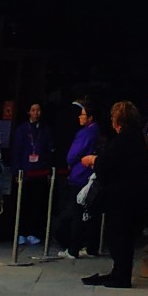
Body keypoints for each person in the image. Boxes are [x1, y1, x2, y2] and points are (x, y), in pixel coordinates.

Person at [81, 100, 148, 289]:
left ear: (118, 120)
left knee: (119, 236)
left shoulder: (124, 140)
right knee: (124, 237)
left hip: (122, 197)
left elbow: (108, 164)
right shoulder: (136, 138)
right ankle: (119, 272)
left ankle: (120, 275)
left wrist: (94, 160)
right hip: (133, 195)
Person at [52, 101, 100, 259]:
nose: (80, 117)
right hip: (90, 174)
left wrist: (70, 161)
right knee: (90, 213)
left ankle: (73, 248)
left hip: (80, 174)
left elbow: (73, 154)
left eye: (83, 114)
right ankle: (91, 246)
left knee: (77, 213)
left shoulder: (85, 133)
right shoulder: (95, 131)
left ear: (90, 118)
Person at [8, 100, 53, 245]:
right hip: (25, 171)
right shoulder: (22, 129)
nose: (36, 113)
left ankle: (34, 232)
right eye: (33, 110)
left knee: (37, 204)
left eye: (38, 110)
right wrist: (16, 171)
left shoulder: (45, 129)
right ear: (28, 112)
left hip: (40, 171)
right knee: (23, 203)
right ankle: (21, 232)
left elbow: (48, 150)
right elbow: (17, 151)